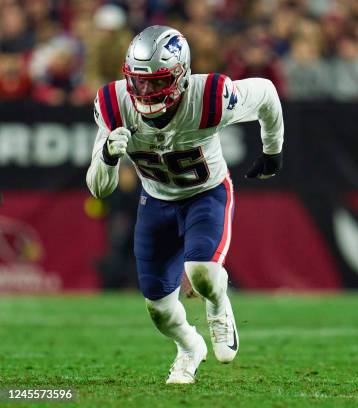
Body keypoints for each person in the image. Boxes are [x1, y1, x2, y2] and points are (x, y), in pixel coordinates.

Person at [86, 25, 284, 384]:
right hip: (155, 202)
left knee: (202, 273)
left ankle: (219, 305)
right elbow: (99, 189)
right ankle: (190, 348)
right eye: (139, 81)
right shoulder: (113, 104)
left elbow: (267, 93)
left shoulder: (211, 96)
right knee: (159, 310)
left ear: (181, 75)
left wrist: (273, 152)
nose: (146, 91)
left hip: (206, 194)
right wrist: (108, 157)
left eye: (157, 81)